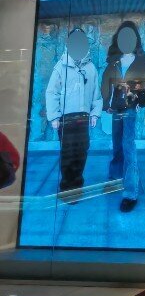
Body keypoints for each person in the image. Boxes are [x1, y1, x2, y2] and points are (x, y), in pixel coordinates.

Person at [101, 22, 145, 212]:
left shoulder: (142, 62)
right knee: (117, 145)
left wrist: (140, 101)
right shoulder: (114, 61)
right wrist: (106, 103)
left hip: (130, 110)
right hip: (116, 110)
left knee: (128, 147)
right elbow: (105, 82)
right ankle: (115, 179)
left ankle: (130, 193)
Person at [46, 28, 102, 193]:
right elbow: (52, 92)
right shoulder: (60, 67)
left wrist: (95, 113)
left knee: (81, 151)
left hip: (83, 117)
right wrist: (54, 117)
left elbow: (96, 93)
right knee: (68, 153)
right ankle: (66, 186)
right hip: (66, 118)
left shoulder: (90, 68)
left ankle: (77, 185)